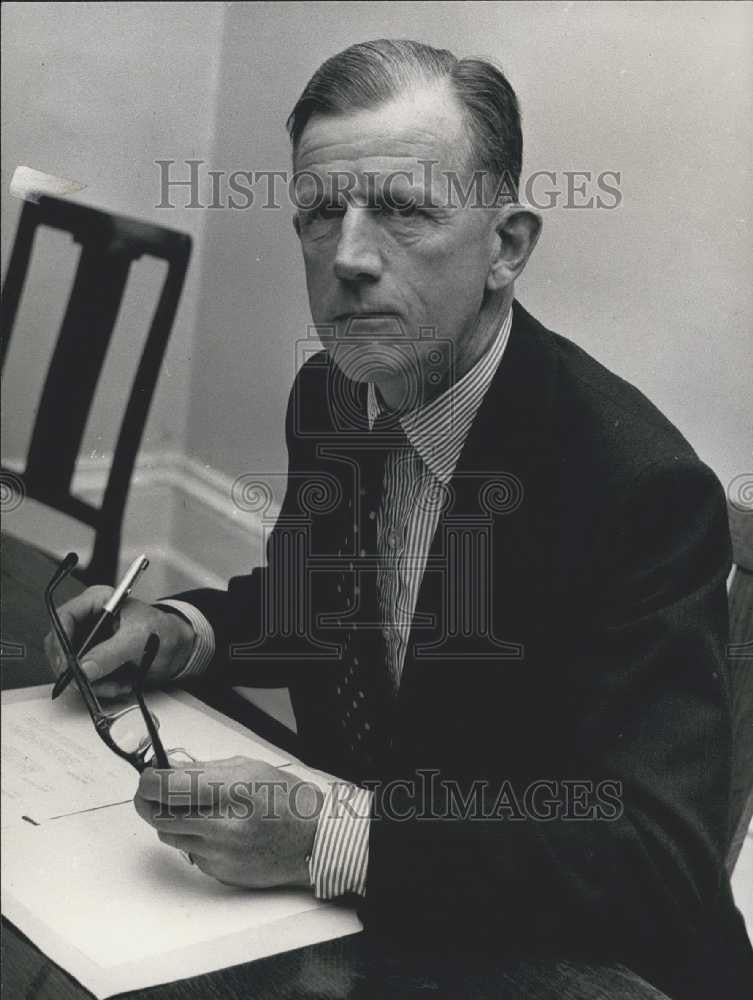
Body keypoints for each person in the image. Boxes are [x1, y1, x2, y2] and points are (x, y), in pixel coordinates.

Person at [45, 39, 752, 999]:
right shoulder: (332, 396)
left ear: (507, 246)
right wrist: (181, 629)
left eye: (404, 210)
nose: (347, 256)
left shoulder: (637, 488)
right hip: (362, 941)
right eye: (319, 213)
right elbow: (322, 608)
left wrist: (332, 838)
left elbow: (655, 859)